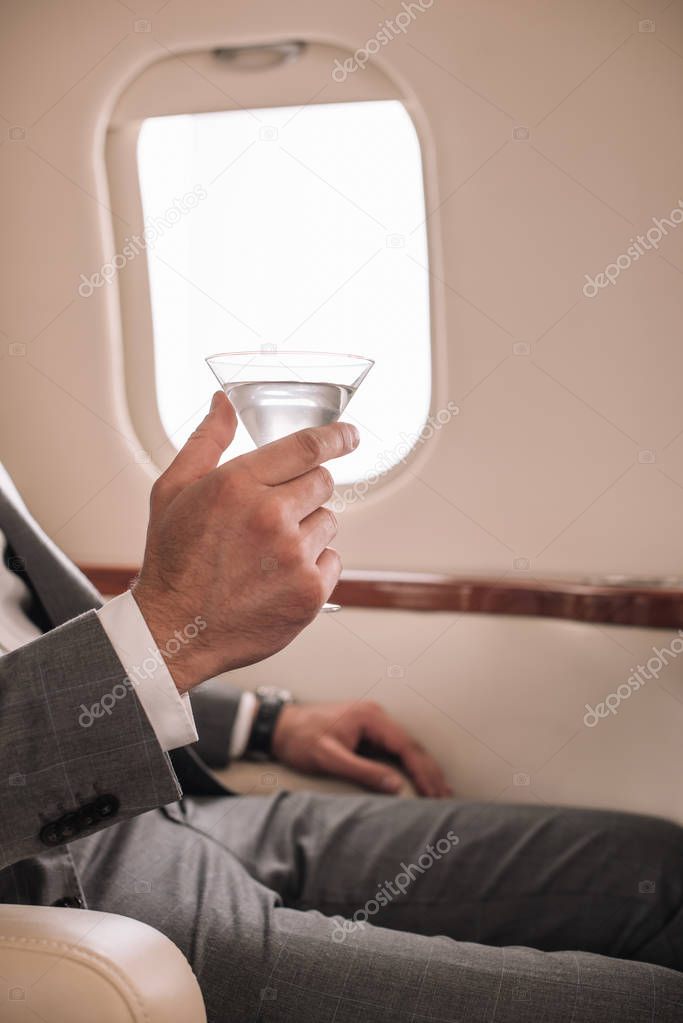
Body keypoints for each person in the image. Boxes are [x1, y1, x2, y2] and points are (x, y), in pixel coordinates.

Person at [1, 391, 682, 1023]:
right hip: (78, 893)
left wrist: (263, 724)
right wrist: (170, 628)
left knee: (662, 869)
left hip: (179, 810)